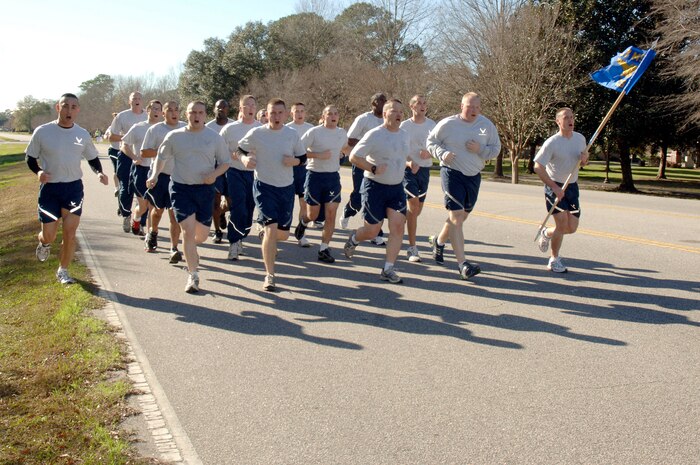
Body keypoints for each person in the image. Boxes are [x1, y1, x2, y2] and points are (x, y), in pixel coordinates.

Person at [147, 101, 230, 293]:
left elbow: (225, 162)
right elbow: (161, 157)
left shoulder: (214, 137)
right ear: (187, 114)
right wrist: (154, 175)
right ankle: (193, 276)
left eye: (200, 112)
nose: (196, 116)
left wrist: (214, 175)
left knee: (199, 236)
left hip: (205, 189)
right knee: (187, 232)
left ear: (205, 114)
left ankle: (191, 251)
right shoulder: (175, 136)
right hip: (180, 188)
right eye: (193, 112)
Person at [26, 93, 109, 284]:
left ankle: (63, 270)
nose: (69, 110)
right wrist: (38, 172)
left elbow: (92, 158)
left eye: (73, 107)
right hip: (50, 189)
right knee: (50, 234)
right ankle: (44, 242)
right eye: (65, 106)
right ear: (58, 108)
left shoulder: (81, 134)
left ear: (78, 110)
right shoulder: (42, 131)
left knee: (70, 234)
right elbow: (30, 157)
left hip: (73, 188)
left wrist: (99, 172)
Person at [426, 92, 501, 280]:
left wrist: (480, 150)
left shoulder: (486, 126)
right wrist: (442, 153)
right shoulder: (448, 124)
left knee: (461, 216)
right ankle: (463, 265)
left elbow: (496, 148)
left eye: (477, 107)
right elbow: (431, 142)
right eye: (469, 106)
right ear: (461, 106)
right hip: (452, 173)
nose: (473, 110)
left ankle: (438, 241)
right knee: (457, 216)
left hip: (473, 175)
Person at [237, 98, 306, 291]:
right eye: (272, 113)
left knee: (282, 235)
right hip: (264, 186)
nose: (275, 116)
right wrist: (244, 159)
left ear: (285, 114)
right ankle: (270, 275)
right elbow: (239, 149)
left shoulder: (291, 134)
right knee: (270, 230)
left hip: (286, 187)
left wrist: (294, 162)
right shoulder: (257, 133)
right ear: (266, 114)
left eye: (279, 113)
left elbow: (302, 158)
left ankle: (266, 231)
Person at [343, 99, 410, 284]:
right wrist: (372, 168)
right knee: (372, 231)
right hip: (374, 187)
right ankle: (355, 238)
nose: (398, 114)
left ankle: (388, 268)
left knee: (397, 227)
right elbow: (354, 156)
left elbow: (402, 155)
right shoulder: (374, 134)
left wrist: (411, 162)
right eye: (394, 111)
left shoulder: (404, 135)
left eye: (400, 112)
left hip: (396, 188)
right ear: (385, 113)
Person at [533, 107, 589, 273]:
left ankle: (547, 233)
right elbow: (538, 166)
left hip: (572, 187)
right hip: (555, 187)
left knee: (571, 228)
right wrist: (554, 187)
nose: (570, 120)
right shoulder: (552, 142)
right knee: (562, 223)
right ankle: (554, 259)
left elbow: (583, 162)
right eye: (566, 117)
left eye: (572, 117)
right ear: (558, 121)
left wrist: (585, 160)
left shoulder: (580, 139)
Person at [294, 105, 349, 263]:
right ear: (323, 116)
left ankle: (324, 249)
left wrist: (343, 153)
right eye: (329, 113)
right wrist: (318, 155)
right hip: (314, 176)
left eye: (336, 113)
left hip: (332, 178)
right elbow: (299, 150)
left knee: (331, 214)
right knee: (313, 215)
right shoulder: (314, 132)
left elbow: (345, 146)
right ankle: (303, 223)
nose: (333, 116)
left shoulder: (341, 133)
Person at [338, 92, 387, 246]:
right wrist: (369, 143)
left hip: (380, 165)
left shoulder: (388, 119)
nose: (384, 103)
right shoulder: (363, 119)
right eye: (381, 101)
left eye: (386, 101)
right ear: (373, 103)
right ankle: (348, 211)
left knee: (376, 197)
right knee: (359, 197)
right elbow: (350, 139)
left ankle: (376, 232)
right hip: (361, 162)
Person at [141, 101, 186, 261]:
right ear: (163, 113)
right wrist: (162, 151)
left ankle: (174, 249)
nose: (174, 113)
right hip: (160, 175)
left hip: (179, 178)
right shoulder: (155, 130)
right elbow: (144, 152)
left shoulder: (185, 128)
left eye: (176, 110)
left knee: (174, 214)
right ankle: (153, 232)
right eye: (170, 110)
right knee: (158, 211)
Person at [219, 95, 261, 261]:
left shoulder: (261, 128)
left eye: (253, 105)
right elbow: (219, 150)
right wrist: (233, 154)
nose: (250, 108)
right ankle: (234, 242)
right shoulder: (229, 129)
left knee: (250, 208)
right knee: (238, 206)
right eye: (247, 105)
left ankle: (242, 236)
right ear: (240, 108)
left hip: (255, 174)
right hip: (234, 172)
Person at [400, 94, 436, 262]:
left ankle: (401, 217)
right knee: (413, 208)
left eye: (424, 103)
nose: (422, 106)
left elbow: (439, 147)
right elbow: (398, 149)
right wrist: (408, 163)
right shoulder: (404, 126)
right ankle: (412, 248)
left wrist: (430, 152)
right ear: (411, 106)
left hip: (425, 170)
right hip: (409, 171)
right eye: (418, 103)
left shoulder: (432, 125)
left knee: (416, 211)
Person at [120, 99, 163, 236]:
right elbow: (124, 144)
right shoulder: (138, 127)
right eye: (153, 109)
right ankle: (136, 217)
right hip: (141, 169)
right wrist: (134, 157)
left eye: (159, 109)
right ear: (148, 110)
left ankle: (149, 236)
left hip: (157, 171)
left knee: (152, 205)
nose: (156, 111)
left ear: (162, 113)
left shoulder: (165, 129)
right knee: (143, 206)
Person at [109, 92, 147, 233]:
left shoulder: (147, 116)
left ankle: (142, 223)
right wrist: (129, 137)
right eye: (134, 99)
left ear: (142, 101)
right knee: (126, 188)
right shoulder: (122, 116)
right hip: (126, 155)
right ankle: (126, 214)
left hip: (143, 156)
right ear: (129, 102)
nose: (136, 101)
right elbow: (111, 136)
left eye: (139, 99)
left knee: (144, 191)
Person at [285, 102, 315, 247]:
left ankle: (301, 234)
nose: (299, 113)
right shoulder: (286, 129)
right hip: (289, 170)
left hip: (305, 170)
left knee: (304, 204)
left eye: (302, 111)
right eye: (296, 111)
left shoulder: (311, 129)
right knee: (287, 204)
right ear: (291, 113)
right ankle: (283, 230)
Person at [206, 99, 234, 244]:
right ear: (214, 109)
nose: (221, 109)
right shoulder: (208, 127)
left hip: (230, 167)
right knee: (215, 203)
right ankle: (217, 231)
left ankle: (222, 214)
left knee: (230, 203)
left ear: (228, 110)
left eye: (224, 107)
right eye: (218, 107)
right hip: (214, 167)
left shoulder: (233, 125)